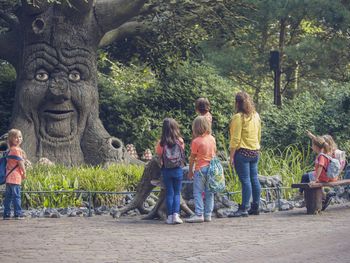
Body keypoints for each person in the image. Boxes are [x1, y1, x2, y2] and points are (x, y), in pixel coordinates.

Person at [228, 91, 261, 217]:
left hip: (242, 152)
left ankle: (244, 208)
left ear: (237, 103)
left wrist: (231, 156)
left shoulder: (238, 117)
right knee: (254, 178)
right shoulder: (256, 115)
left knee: (245, 180)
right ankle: (255, 206)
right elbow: (258, 134)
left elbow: (235, 139)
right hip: (255, 151)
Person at [186, 116, 216, 223]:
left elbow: (192, 158)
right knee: (209, 192)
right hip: (211, 169)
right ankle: (208, 214)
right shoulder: (212, 139)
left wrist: (190, 171)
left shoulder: (196, 141)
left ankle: (199, 214)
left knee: (197, 192)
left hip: (200, 169)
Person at [155, 118, 185, 224]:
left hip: (166, 170)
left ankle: (169, 217)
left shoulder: (161, 143)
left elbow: (159, 156)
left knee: (169, 193)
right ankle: (176, 215)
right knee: (177, 193)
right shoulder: (180, 141)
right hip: (178, 169)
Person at [3, 129, 26, 220]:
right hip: (16, 177)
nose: (18, 139)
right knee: (16, 196)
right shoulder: (17, 150)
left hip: (8, 177)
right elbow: (20, 163)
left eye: (20, 137)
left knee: (8, 197)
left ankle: (7, 214)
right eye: (15, 137)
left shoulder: (9, 150)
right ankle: (18, 213)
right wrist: (24, 172)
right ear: (11, 139)